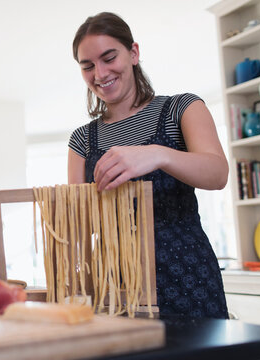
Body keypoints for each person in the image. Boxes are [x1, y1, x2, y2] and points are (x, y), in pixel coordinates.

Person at [68, 13, 229, 318]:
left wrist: (158, 154)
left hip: (188, 278)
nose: (100, 73)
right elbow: (79, 225)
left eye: (108, 57)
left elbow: (218, 173)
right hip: (116, 287)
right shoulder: (82, 140)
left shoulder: (182, 108)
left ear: (133, 53)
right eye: (87, 66)